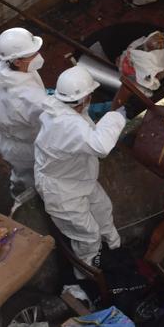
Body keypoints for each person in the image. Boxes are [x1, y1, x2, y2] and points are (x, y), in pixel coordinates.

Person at [34, 66, 130, 268]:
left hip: (78, 179)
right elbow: (101, 146)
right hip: (61, 191)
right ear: (85, 98)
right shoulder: (66, 124)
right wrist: (117, 115)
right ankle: (90, 272)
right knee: (87, 235)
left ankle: (115, 249)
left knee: (103, 210)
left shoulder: (60, 106)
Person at [0, 27, 49, 211]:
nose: (38, 56)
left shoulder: (1, 69)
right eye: (32, 54)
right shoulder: (26, 98)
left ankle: (18, 191)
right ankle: (25, 205)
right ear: (18, 61)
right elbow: (49, 120)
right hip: (25, 146)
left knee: (20, 173)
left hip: (7, 137)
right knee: (30, 177)